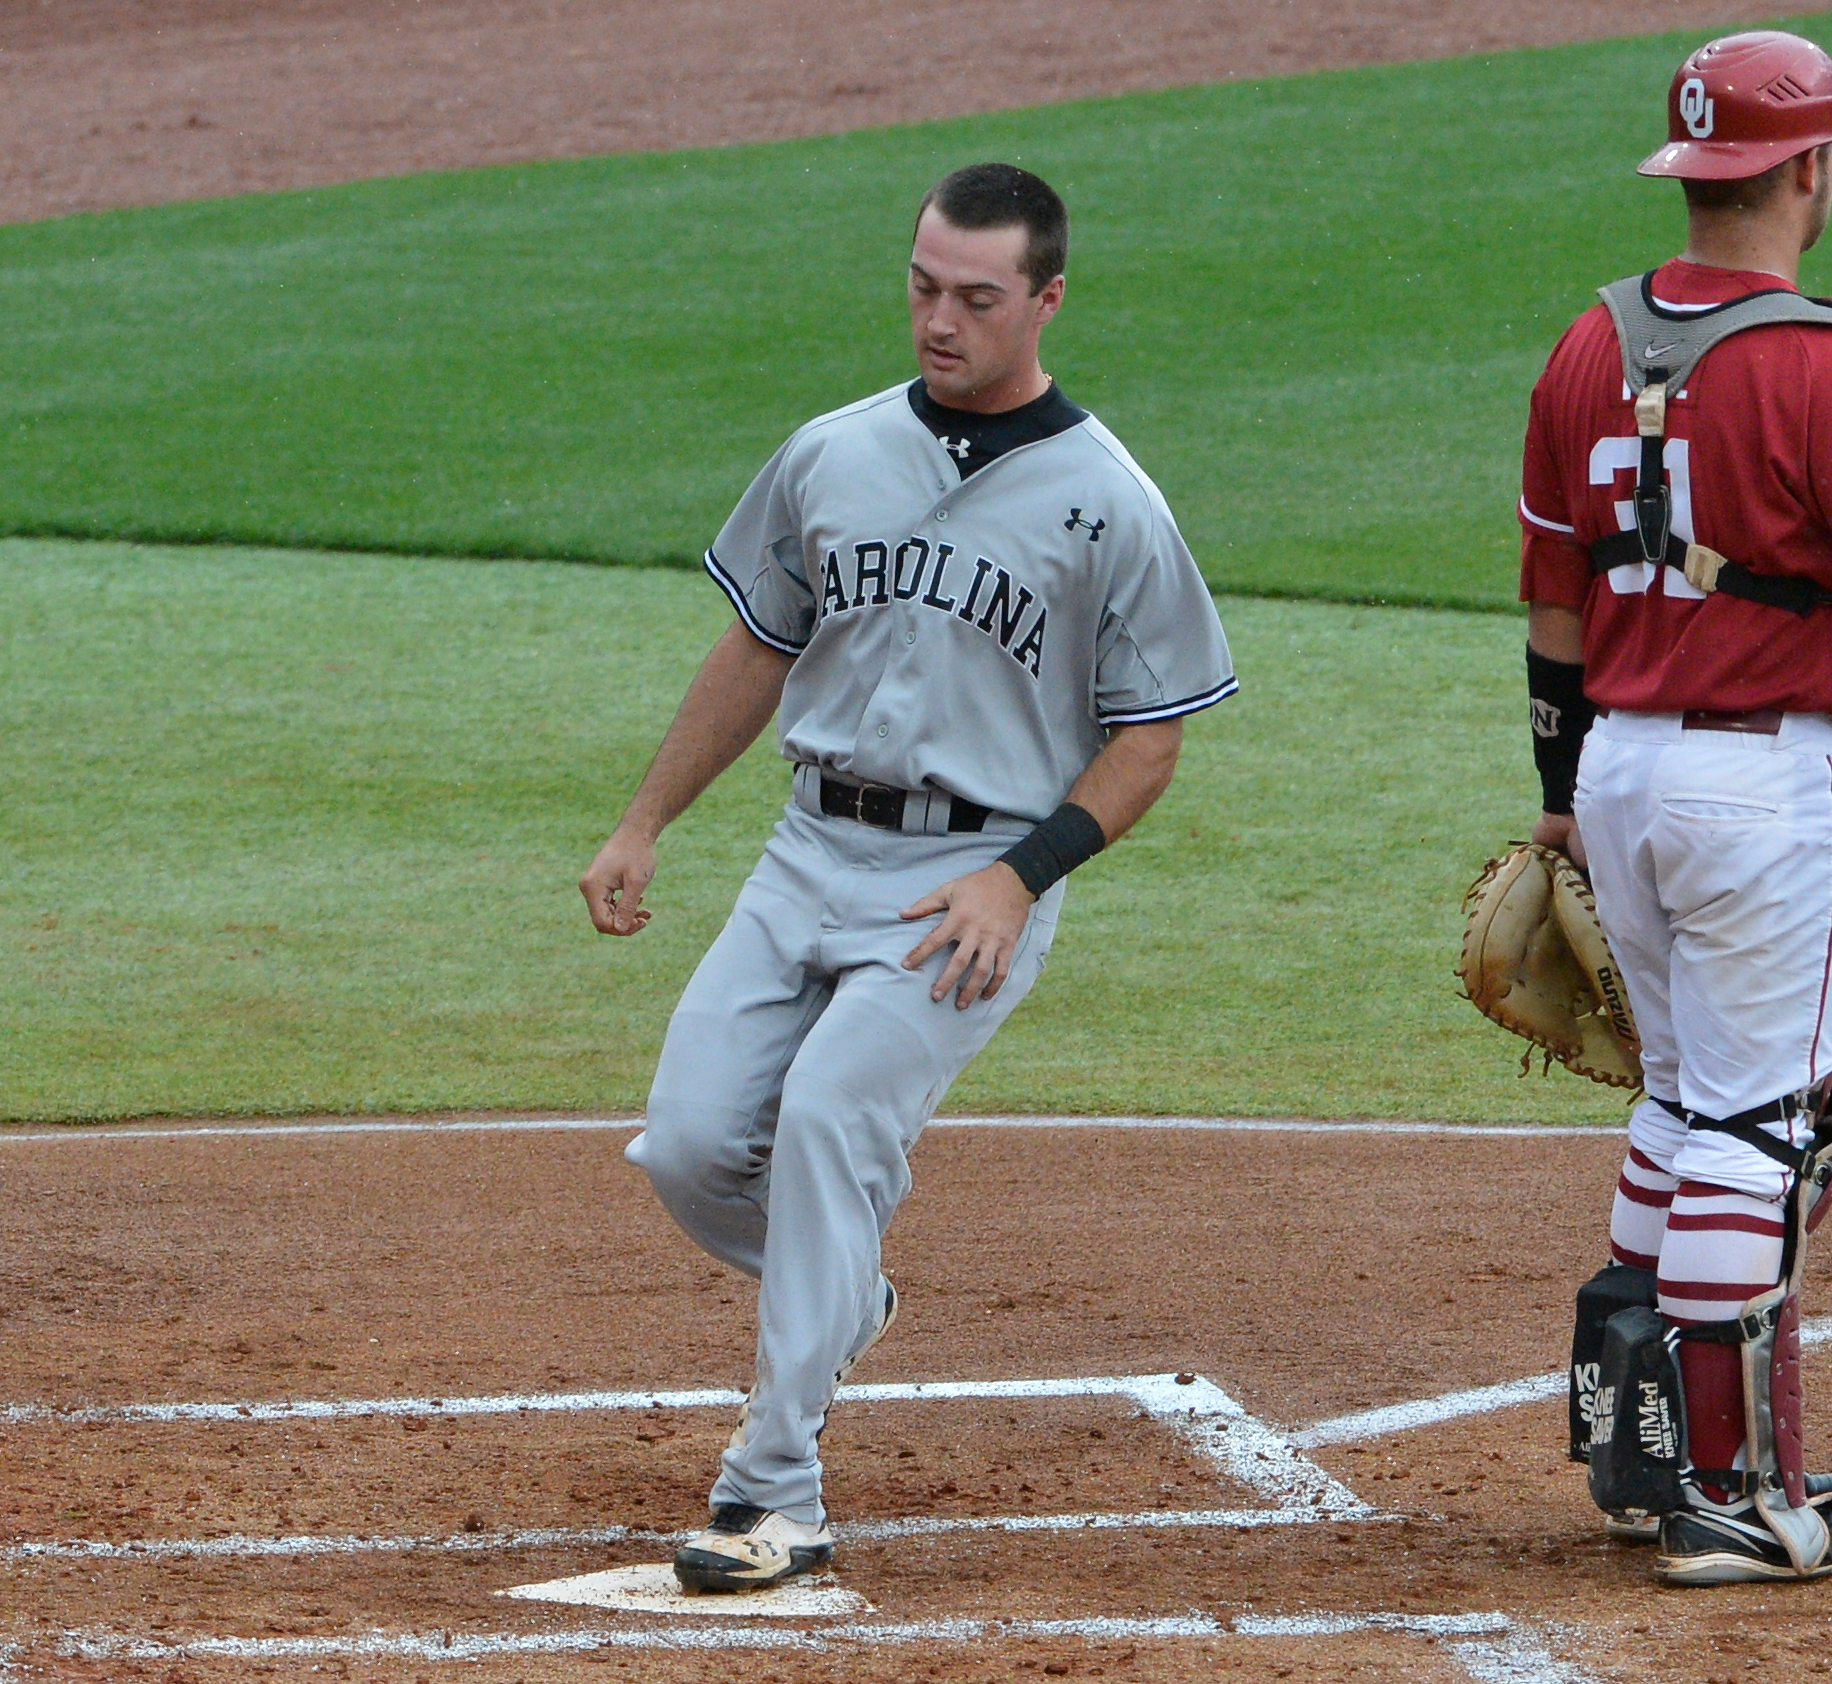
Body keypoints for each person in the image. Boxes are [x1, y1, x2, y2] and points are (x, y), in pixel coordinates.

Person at [579, 162, 1234, 1592]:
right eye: (925, 287)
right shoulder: (833, 452)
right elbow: (757, 647)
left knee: (825, 1122)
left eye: (977, 297)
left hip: (965, 879)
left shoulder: (1111, 502)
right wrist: (644, 823)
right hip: (807, 847)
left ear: (1046, 301)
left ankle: (774, 1493)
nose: (940, 320)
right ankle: (846, 1295)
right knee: (691, 1146)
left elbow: (1150, 739)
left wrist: (1022, 876)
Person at [1520, 32, 1832, 1585]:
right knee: (1758, 1120)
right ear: (1807, 173)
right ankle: (1729, 1492)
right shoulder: (1820, 362)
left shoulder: (1589, 346)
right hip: (1763, 776)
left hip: (1620, 770)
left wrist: (1559, 798)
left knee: (1679, 1095)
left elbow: (1554, 605)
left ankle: (1644, 1444)